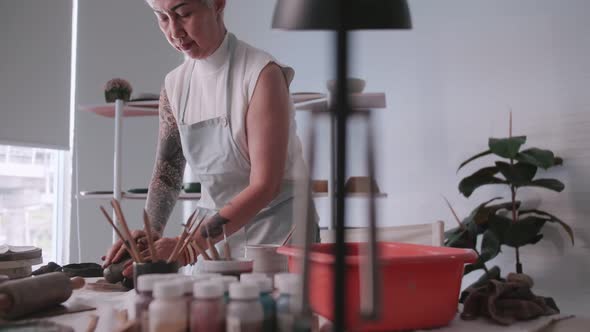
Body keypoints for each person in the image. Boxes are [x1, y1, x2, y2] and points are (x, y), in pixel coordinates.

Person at [102, 0, 317, 276]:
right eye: (163, 18)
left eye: (184, 14)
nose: (175, 32)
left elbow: (266, 185)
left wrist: (190, 246)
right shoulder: (174, 85)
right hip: (212, 239)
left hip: (278, 235)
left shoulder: (262, 74)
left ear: (217, 4)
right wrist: (150, 234)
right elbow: (167, 174)